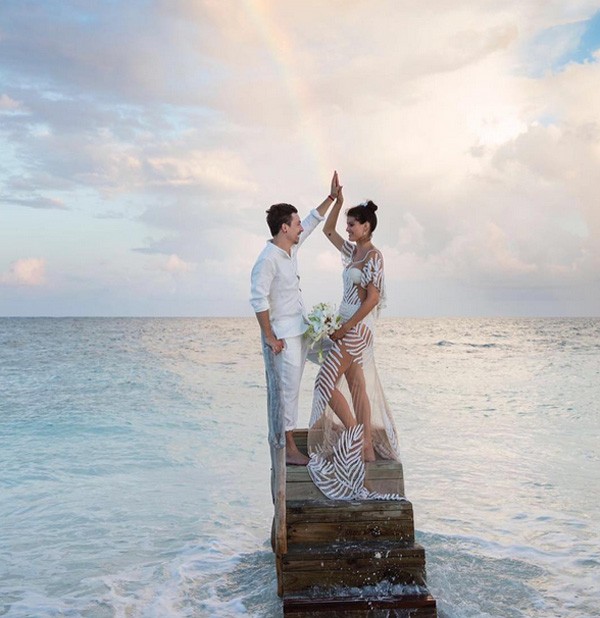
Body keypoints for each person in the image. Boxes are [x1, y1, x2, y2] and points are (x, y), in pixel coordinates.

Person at [306, 190, 403, 500]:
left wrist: (346, 326)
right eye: (348, 225)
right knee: (357, 386)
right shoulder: (351, 253)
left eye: (352, 225)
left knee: (324, 381)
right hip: (345, 324)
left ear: (366, 226)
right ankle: (367, 452)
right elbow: (327, 230)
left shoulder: (374, 256)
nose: (347, 230)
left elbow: (373, 298)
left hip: (358, 328)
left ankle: (355, 437)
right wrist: (335, 199)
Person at [250, 172, 341, 465]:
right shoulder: (267, 259)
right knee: (288, 392)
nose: (301, 227)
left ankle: (338, 423)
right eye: (296, 223)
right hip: (285, 338)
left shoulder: (291, 248)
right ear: (284, 227)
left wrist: (331, 198)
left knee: (337, 355)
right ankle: (288, 449)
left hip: (303, 329)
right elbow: (258, 299)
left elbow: (313, 221)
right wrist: (269, 336)